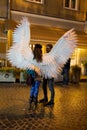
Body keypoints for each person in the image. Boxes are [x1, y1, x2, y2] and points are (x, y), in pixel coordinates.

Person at [28, 44, 42, 110]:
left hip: (32, 75)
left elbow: (29, 66)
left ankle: (30, 102)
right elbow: (42, 68)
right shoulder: (41, 58)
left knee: (32, 88)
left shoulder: (31, 57)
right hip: (38, 76)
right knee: (36, 89)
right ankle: (35, 102)